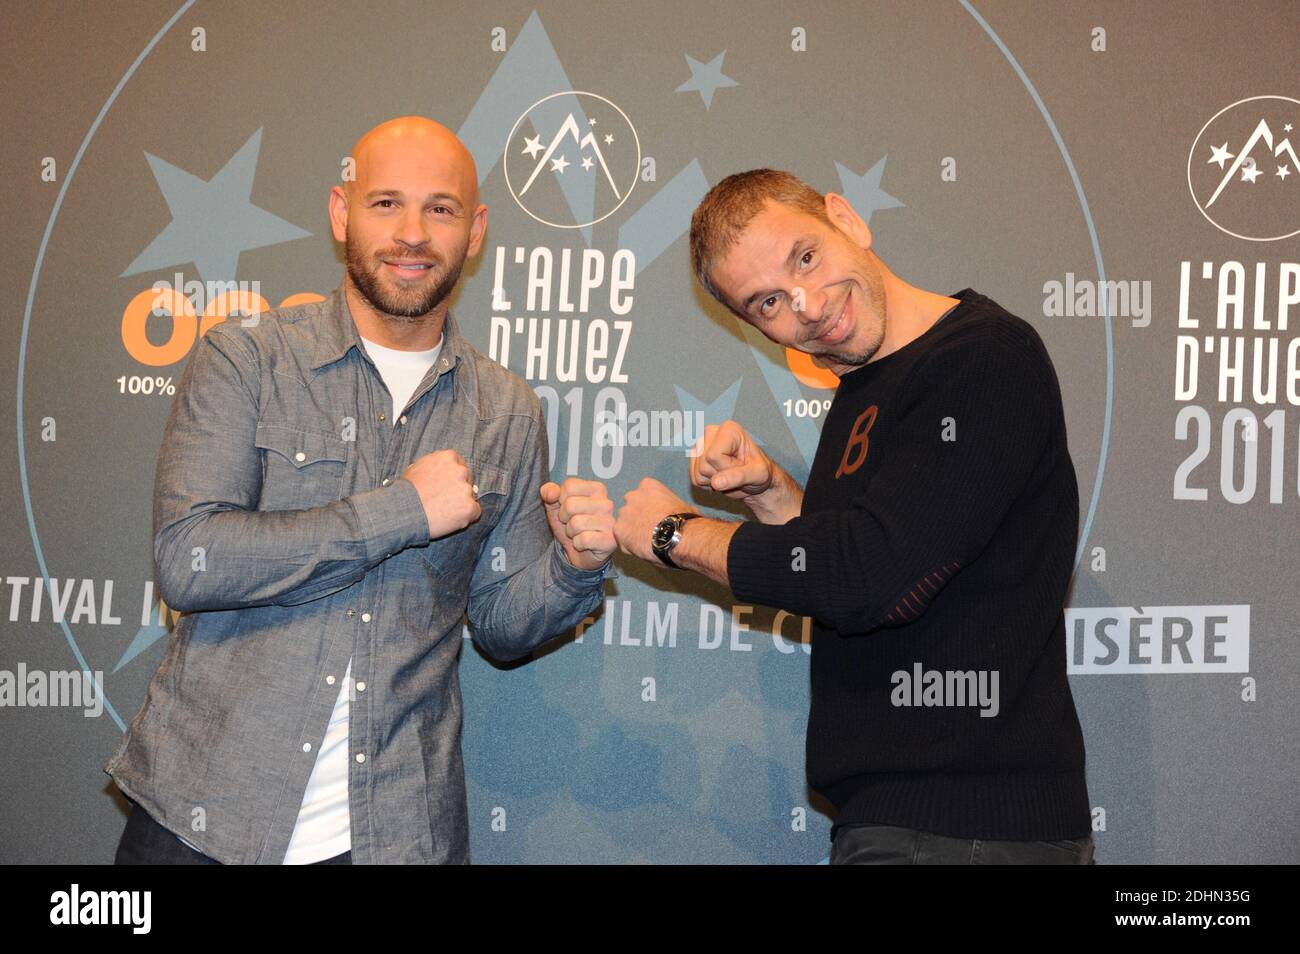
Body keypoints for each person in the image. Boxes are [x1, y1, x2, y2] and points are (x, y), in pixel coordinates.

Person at [106, 116, 616, 865]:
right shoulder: (248, 358)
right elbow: (191, 560)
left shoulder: (506, 408)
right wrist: (401, 511)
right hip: (204, 814)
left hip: (397, 833)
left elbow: (501, 622)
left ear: (474, 232)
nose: (413, 233)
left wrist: (572, 568)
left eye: (440, 209)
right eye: (386, 204)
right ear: (341, 213)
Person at [613, 168, 1094, 864]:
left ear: (847, 219)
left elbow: (874, 576)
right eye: (769, 302)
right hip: (916, 823)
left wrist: (676, 535)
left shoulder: (981, 358)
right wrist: (772, 495)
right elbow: (879, 564)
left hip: (970, 829)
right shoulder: (865, 387)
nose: (805, 305)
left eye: (804, 257)